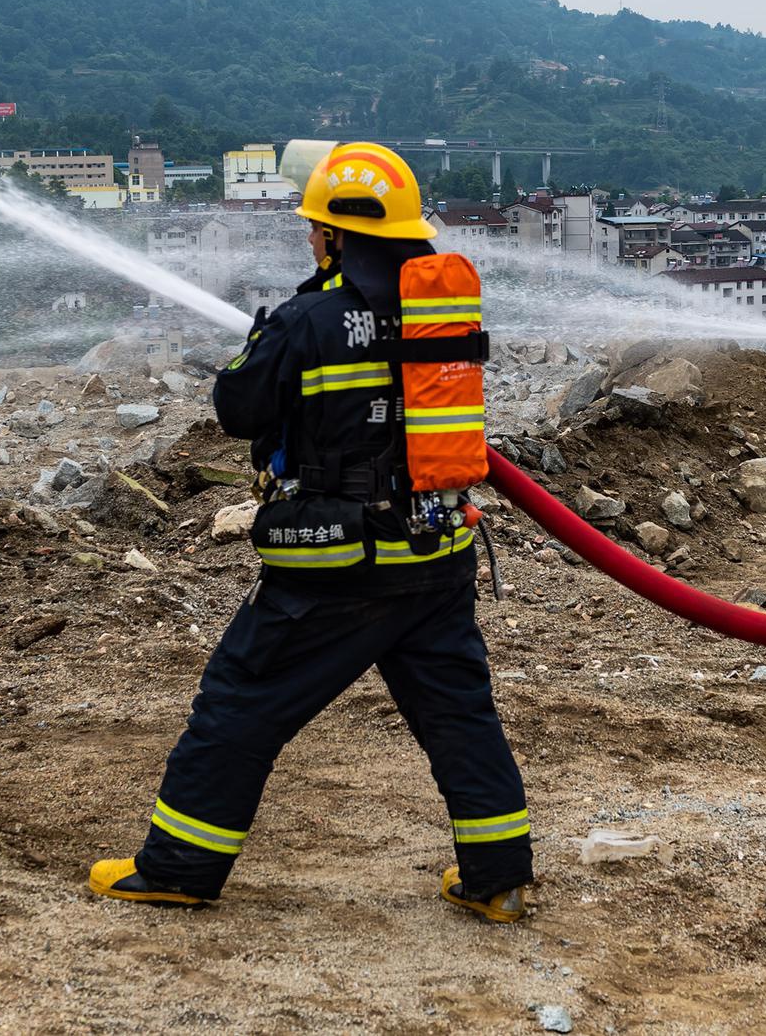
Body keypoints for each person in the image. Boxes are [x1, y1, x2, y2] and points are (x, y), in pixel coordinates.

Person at [88, 142, 534, 923]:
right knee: (459, 715)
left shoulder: (308, 318)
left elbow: (238, 411)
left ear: (335, 234)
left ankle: (180, 868)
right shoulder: (439, 310)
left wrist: (261, 341)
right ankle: (497, 878)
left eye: (314, 226)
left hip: (341, 565)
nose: (309, 239)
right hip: (437, 553)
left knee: (238, 702)